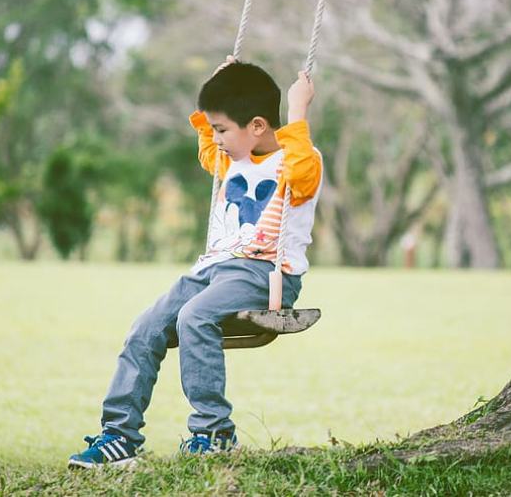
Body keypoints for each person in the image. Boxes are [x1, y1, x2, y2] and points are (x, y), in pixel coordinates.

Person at [68, 56, 323, 469]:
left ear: (258, 126)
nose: (215, 138)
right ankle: (119, 435)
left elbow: (301, 167)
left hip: (265, 274)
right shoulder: (229, 158)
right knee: (145, 328)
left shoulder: (298, 161)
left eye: (223, 129)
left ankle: (214, 433)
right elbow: (208, 146)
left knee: (194, 317)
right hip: (211, 271)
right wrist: (217, 85)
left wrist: (297, 112)